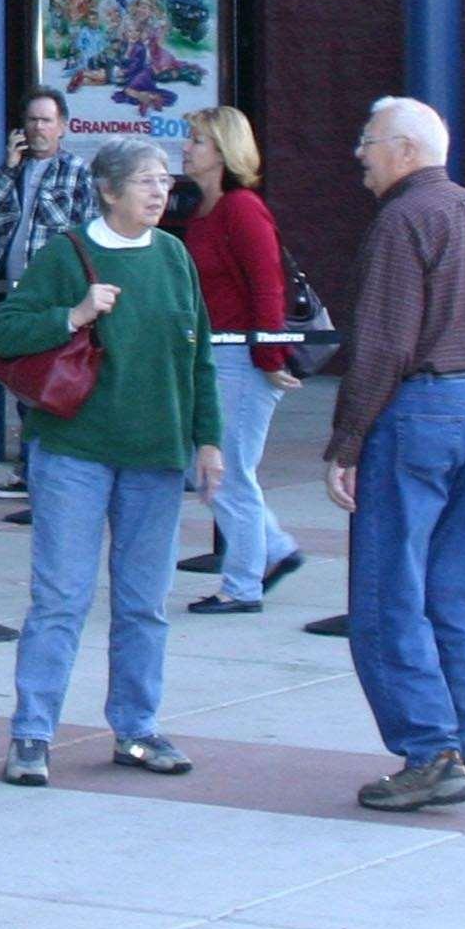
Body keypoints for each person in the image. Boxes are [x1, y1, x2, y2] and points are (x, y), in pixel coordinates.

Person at [0, 136, 218, 785]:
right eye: (145, 181)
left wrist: (209, 438)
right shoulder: (69, 256)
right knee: (61, 598)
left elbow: (197, 356)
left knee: (144, 603)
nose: (159, 192)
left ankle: (138, 729)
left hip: (156, 456)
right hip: (75, 454)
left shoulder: (174, 257)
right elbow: (7, 332)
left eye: (164, 181)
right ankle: (32, 734)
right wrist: (72, 314)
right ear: (110, 191)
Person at [328, 97, 465, 813]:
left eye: (369, 142)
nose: (360, 154)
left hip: (422, 409)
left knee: (387, 593)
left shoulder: (403, 221)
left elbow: (382, 344)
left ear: (405, 149)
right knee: (454, 593)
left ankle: (429, 750)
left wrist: (347, 442)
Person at [179, 107, 301, 615]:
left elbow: (266, 284)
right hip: (214, 355)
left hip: (242, 359)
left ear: (224, 152)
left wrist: (270, 356)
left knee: (224, 471)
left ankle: (243, 585)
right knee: (207, 465)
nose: (186, 148)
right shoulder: (202, 210)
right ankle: (273, 550)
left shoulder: (241, 209)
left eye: (198, 142)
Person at [0, 89, 96, 498]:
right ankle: (33, 469)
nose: (38, 128)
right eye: (31, 120)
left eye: (46, 120)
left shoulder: (77, 172)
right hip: (9, 291)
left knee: (48, 379)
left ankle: (41, 470)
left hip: (53, 296)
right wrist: (8, 168)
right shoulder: (14, 171)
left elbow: (90, 229)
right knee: (22, 380)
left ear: (63, 126)